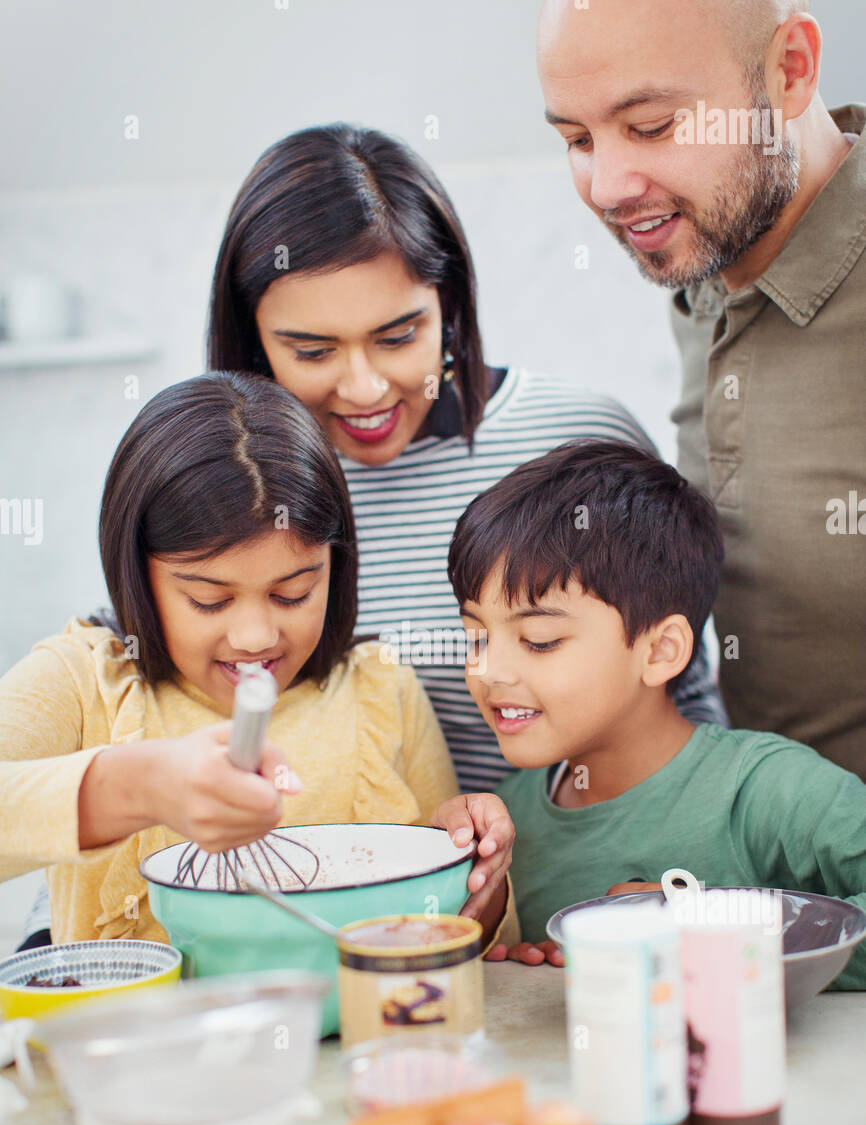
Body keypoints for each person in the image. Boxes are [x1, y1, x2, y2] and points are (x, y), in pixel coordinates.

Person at [206, 122, 727, 795]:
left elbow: (682, 700)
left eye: (399, 336)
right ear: (253, 341)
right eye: (312, 352)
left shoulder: (577, 436)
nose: (364, 388)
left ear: (449, 308)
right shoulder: (230, 492)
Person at [0, 373, 516, 952]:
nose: (254, 637)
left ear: (336, 566)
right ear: (136, 574)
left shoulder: (380, 687)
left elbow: (455, 929)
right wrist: (139, 789)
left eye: (292, 593)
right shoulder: (81, 679)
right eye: (209, 600)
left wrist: (478, 875)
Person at [537, 0, 866, 779]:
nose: (608, 186)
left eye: (650, 126)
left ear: (790, 69)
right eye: (577, 140)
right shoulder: (707, 264)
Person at [447, 438, 866, 989]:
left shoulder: (765, 789)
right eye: (475, 637)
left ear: (661, 650)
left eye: (540, 640)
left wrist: (704, 937)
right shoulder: (506, 823)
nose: (488, 671)